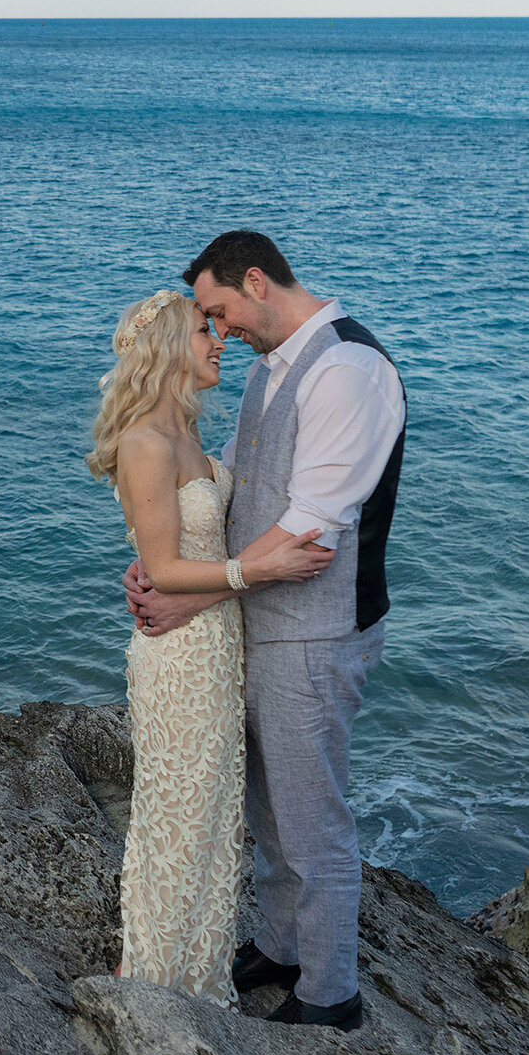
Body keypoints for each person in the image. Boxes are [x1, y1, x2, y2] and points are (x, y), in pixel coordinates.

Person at [123, 232, 406, 1033]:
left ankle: (330, 993)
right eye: (206, 322)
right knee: (271, 805)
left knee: (312, 813)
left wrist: (188, 598)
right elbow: (241, 497)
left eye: (219, 311)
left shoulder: (348, 371)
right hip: (250, 621)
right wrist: (170, 563)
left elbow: (310, 532)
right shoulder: (267, 370)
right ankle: (282, 947)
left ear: (256, 281)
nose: (221, 329)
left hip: (313, 631)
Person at [87, 288, 332, 1006]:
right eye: (203, 331)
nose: (219, 339)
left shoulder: (188, 436)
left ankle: (195, 977)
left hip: (218, 645)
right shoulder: (144, 442)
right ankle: (148, 977)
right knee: (175, 813)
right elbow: (163, 569)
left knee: (214, 817)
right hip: (179, 654)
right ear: (166, 347)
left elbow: (178, 547)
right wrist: (261, 570)